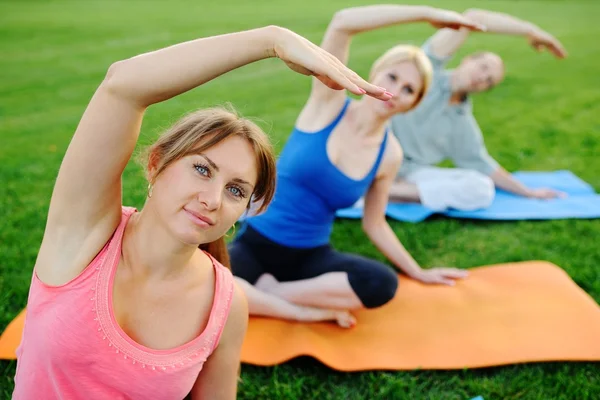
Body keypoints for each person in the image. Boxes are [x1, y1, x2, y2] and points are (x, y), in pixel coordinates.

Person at [12, 26, 389, 399]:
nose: (212, 199)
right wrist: (272, 41)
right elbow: (123, 86)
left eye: (236, 190)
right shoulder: (85, 236)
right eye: (202, 169)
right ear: (157, 163)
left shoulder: (225, 305)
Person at [230, 5, 484, 328]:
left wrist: (417, 271)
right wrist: (425, 14)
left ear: (413, 104)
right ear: (375, 73)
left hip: (310, 255)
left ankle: (269, 293)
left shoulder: (389, 154)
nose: (396, 92)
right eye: (393, 77)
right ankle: (298, 309)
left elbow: (374, 224)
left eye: (409, 90)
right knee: (208, 285)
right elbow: (342, 24)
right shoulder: (328, 103)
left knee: (381, 283)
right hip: (257, 243)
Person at [388, 8, 568, 212]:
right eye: (483, 67)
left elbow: (484, 166)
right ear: (468, 59)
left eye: (489, 81)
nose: (483, 78)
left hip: (408, 174)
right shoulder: (426, 73)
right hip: (372, 154)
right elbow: (472, 18)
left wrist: (528, 192)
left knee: (481, 188)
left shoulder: (462, 121)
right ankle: (383, 191)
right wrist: (530, 30)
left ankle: (386, 193)